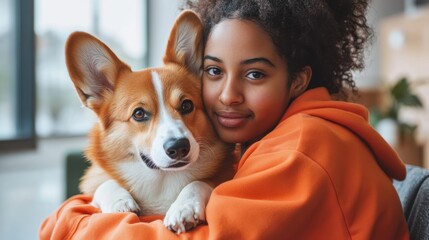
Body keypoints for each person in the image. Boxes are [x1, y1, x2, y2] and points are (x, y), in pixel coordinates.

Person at [39, 0, 410, 239]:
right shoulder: (269, 141)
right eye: (214, 71)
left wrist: (70, 219)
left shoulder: (304, 150)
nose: (228, 95)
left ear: (297, 79)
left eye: (254, 74)